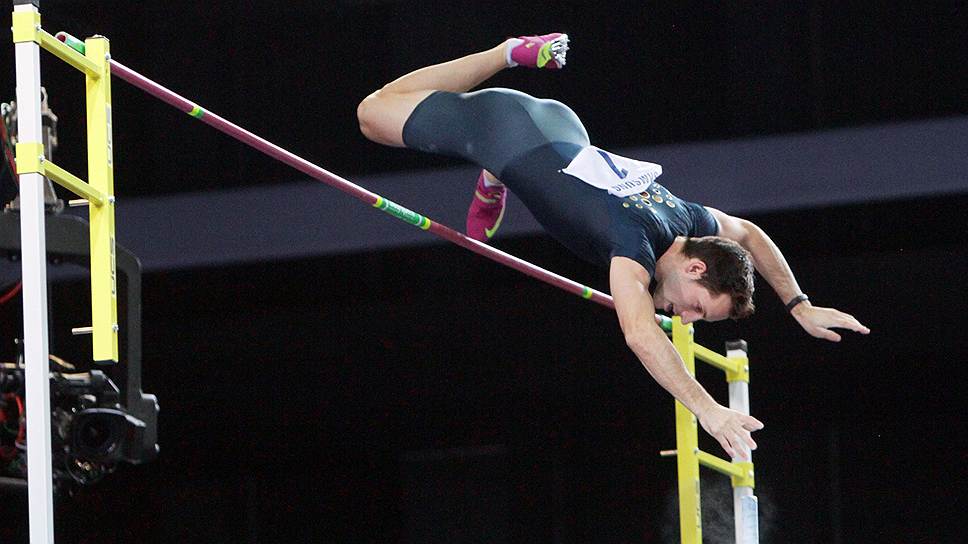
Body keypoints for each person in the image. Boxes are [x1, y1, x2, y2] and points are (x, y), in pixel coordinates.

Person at [356, 34, 870, 458]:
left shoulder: (688, 220)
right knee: (372, 113)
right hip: (502, 126)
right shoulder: (633, 248)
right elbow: (642, 337)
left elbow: (750, 235)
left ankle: (498, 176)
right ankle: (507, 54)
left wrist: (799, 306)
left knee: (521, 167)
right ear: (694, 269)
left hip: (559, 130)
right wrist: (708, 410)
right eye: (694, 309)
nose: (683, 319)